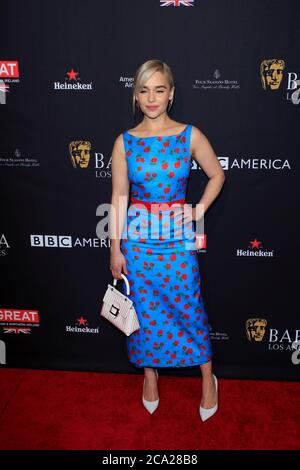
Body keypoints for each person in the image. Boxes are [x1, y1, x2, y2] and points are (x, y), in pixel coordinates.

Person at [109, 59, 225, 421]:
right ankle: (149, 375)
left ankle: (209, 378)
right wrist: (115, 246)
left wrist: (197, 210)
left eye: (159, 89)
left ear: (171, 94)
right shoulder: (124, 141)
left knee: (189, 306)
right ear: (136, 95)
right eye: (144, 90)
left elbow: (216, 175)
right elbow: (118, 198)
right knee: (144, 312)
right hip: (139, 241)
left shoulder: (189, 135)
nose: (151, 97)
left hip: (176, 239)